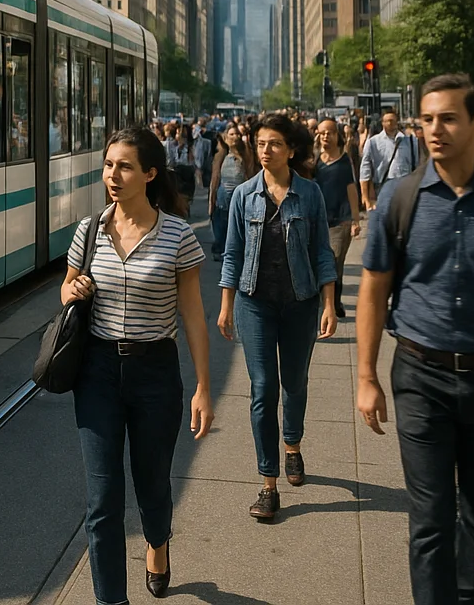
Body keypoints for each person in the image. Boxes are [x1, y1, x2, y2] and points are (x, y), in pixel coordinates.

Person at [358, 74, 474, 605]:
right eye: (427, 119)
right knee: (431, 517)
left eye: (447, 119)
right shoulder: (400, 197)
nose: (434, 130)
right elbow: (373, 290)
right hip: (421, 376)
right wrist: (367, 376)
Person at [61, 126, 213, 605]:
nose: (113, 174)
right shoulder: (89, 230)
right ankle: (112, 600)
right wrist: (74, 290)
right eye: (108, 165)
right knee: (102, 501)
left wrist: (204, 386)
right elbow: (65, 289)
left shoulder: (178, 236)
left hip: (155, 373)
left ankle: (158, 543)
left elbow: (192, 313)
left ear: (149, 173)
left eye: (124, 166)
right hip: (98, 372)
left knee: (151, 485)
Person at [219, 114, 339, 522]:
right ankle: (267, 484)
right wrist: (225, 304)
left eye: (274, 144)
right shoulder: (244, 196)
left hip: (300, 303)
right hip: (254, 303)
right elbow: (233, 254)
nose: (265, 150)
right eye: (260, 143)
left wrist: (328, 303)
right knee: (263, 388)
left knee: (295, 383)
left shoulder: (310, 195)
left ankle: (292, 445)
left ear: (291, 149)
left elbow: (323, 251)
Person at [313, 118, 362, 317]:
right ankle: (326, 301)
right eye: (322, 132)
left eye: (330, 132)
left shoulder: (344, 161)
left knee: (334, 263)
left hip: (340, 221)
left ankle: (333, 302)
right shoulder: (315, 160)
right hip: (317, 221)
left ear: (337, 135)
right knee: (319, 262)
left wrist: (355, 220)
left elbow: (352, 190)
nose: (326, 136)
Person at [208, 123, 254, 262]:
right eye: (232, 134)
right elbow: (215, 179)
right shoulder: (221, 155)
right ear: (226, 137)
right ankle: (220, 250)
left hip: (240, 197)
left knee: (237, 226)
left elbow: (250, 176)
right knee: (221, 225)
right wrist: (211, 201)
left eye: (238, 134)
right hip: (223, 197)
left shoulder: (245, 155)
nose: (236, 137)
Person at [360, 107, 418, 211]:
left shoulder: (410, 141)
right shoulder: (373, 142)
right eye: (388, 121)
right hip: (383, 188)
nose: (391, 123)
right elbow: (365, 171)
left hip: (405, 187)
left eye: (393, 120)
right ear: (382, 123)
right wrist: (365, 197)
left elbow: (417, 166)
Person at [165, 123, 196, 213]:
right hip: (176, 173)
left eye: (183, 134)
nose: (179, 136)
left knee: (185, 197)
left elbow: (192, 163)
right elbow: (170, 161)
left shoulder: (190, 146)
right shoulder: (171, 145)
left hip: (187, 173)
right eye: (178, 133)